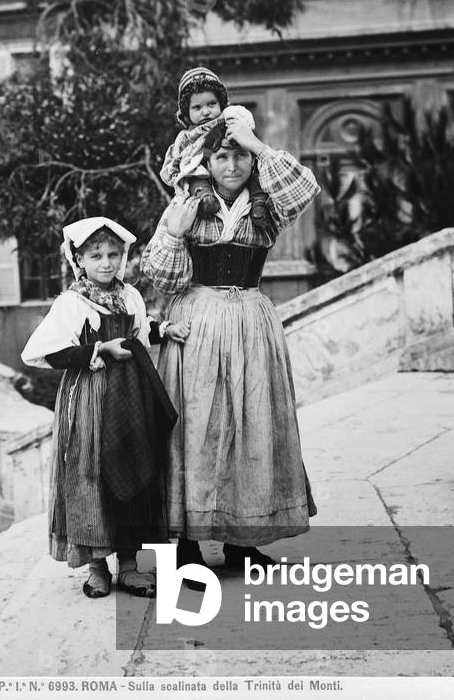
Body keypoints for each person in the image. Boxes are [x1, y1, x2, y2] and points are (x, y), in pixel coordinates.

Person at [140, 111, 321, 574]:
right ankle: (186, 549)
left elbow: (306, 189)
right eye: (222, 155)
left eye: (240, 155)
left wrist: (258, 145)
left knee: (252, 422)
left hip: (251, 321)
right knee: (196, 427)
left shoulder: (270, 202)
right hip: (197, 320)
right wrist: (176, 234)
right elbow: (161, 277)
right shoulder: (185, 203)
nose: (233, 165)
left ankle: (244, 540)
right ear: (207, 161)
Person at [21, 217, 190, 598]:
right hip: (91, 397)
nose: (107, 263)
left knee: (136, 471)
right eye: (96, 255)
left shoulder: (130, 296)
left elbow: (140, 333)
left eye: (114, 254)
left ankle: (131, 566)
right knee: (93, 474)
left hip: (132, 395)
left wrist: (163, 330)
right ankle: (97, 566)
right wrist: (96, 350)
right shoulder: (71, 303)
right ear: (78, 260)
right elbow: (42, 352)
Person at [160, 67, 270, 229]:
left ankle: (259, 204)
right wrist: (181, 166)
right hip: (201, 170)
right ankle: (206, 198)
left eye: (212, 104)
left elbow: (246, 122)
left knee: (254, 176)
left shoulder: (227, 121)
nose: (206, 112)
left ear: (222, 104)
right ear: (186, 113)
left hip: (232, 174)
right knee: (195, 179)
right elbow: (174, 159)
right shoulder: (187, 136)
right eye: (197, 108)